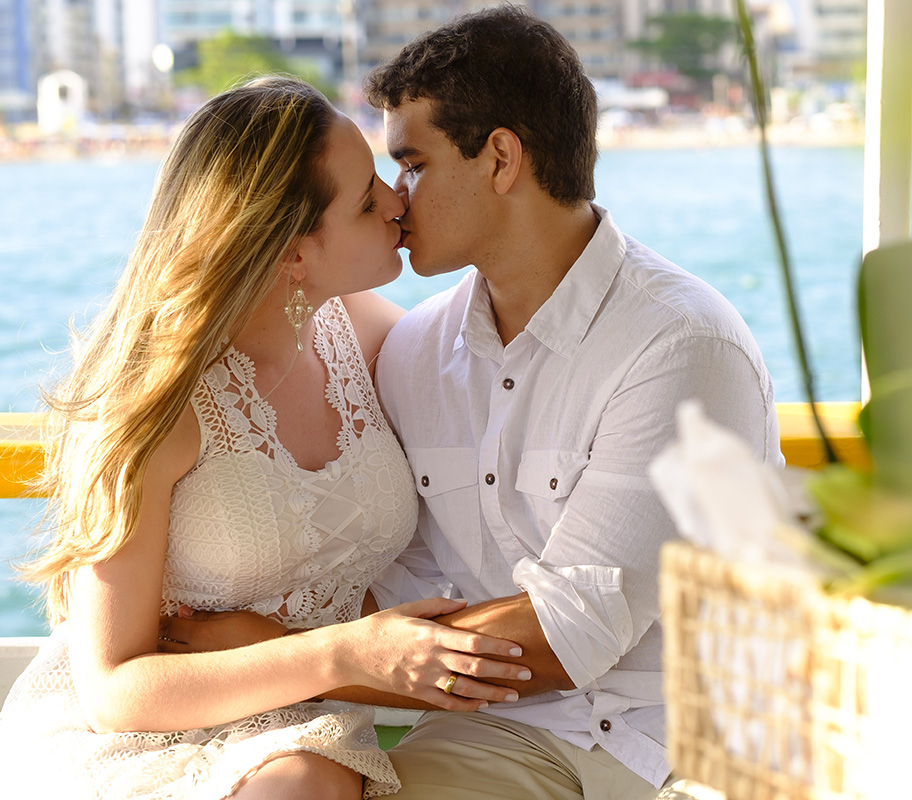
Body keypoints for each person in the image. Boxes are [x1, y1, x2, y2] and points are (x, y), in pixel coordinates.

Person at [163, 6, 784, 798]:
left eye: (413, 164)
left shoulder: (681, 347)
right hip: (493, 731)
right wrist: (270, 651)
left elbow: (566, 631)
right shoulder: (415, 352)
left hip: (688, 743)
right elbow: (400, 583)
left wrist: (275, 651)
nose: (395, 199)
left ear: (499, 159)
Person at [0, 76, 531, 799]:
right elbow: (113, 692)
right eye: (365, 200)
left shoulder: (371, 338)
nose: (396, 203)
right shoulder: (156, 402)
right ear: (291, 253)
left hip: (306, 725)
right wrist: (343, 653)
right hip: (139, 736)